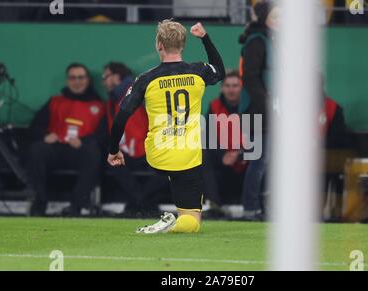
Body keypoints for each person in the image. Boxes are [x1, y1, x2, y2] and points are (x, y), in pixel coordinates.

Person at [107, 20, 225, 233]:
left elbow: (121, 117)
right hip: (188, 155)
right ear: (183, 45)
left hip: (157, 154)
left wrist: (114, 150)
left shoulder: (146, 79)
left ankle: (169, 224)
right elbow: (219, 70)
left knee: (187, 222)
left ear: (159, 45)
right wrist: (205, 38)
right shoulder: (198, 72)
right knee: (193, 221)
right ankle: (172, 223)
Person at [27, 63, 105, 216]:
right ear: (68, 81)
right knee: (36, 149)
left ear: (88, 80)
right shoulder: (55, 102)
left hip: (80, 150)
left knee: (94, 153)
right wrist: (45, 136)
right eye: (73, 78)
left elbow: (103, 136)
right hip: (55, 149)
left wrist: (84, 141)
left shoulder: (99, 105)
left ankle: (75, 206)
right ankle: (39, 203)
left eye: (81, 77)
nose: (77, 81)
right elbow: (34, 128)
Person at [102, 62, 167, 217]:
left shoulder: (141, 93)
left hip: (150, 150)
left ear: (116, 77)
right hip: (128, 153)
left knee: (172, 167)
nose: (103, 81)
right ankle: (143, 203)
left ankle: (136, 203)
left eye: (105, 77)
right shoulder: (110, 102)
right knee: (112, 160)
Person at [238, 0, 277, 220]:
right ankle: (250, 208)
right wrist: (266, 104)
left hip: (272, 110)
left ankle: (261, 207)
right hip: (258, 111)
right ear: (265, 18)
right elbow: (250, 78)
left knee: (267, 162)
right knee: (259, 161)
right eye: (275, 16)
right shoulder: (257, 42)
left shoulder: (273, 41)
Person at [203, 70, 247, 216]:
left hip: (246, 165)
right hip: (222, 166)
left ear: (242, 87)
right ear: (222, 88)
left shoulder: (251, 107)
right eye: (227, 86)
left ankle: (258, 205)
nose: (231, 89)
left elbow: (257, 139)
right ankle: (214, 205)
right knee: (202, 154)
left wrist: (238, 155)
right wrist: (223, 155)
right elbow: (208, 139)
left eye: (235, 85)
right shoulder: (214, 107)